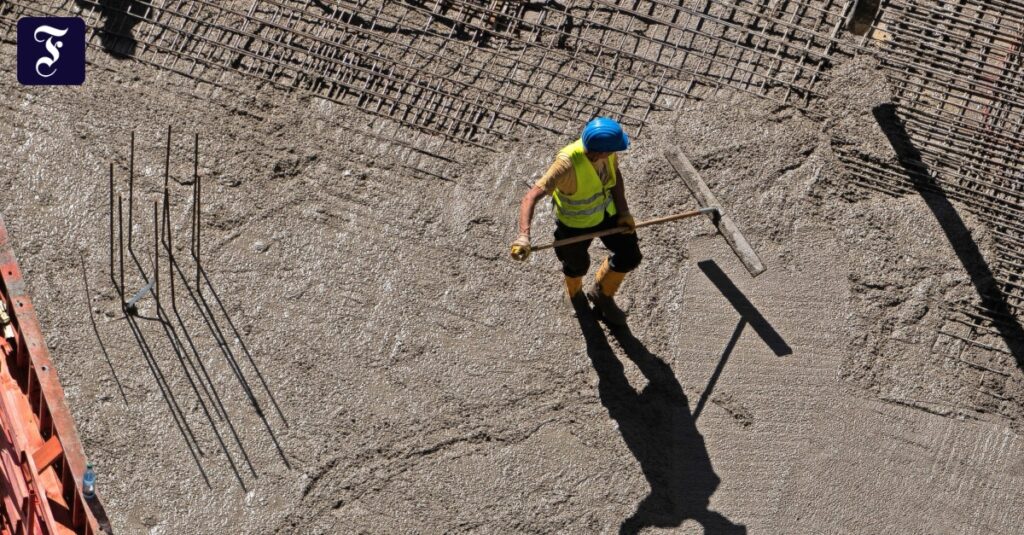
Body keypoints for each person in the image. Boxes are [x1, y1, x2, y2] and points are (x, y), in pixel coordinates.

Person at [510, 117, 642, 326]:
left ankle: (602, 294)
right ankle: (574, 293)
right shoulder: (566, 164)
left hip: (608, 215)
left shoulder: (606, 153)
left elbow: (615, 175)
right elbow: (530, 197)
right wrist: (523, 236)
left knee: (630, 255)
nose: (615, 153)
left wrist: (624, 211)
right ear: (599, 151)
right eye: (612, 150)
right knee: (577, 266)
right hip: (574, 225)